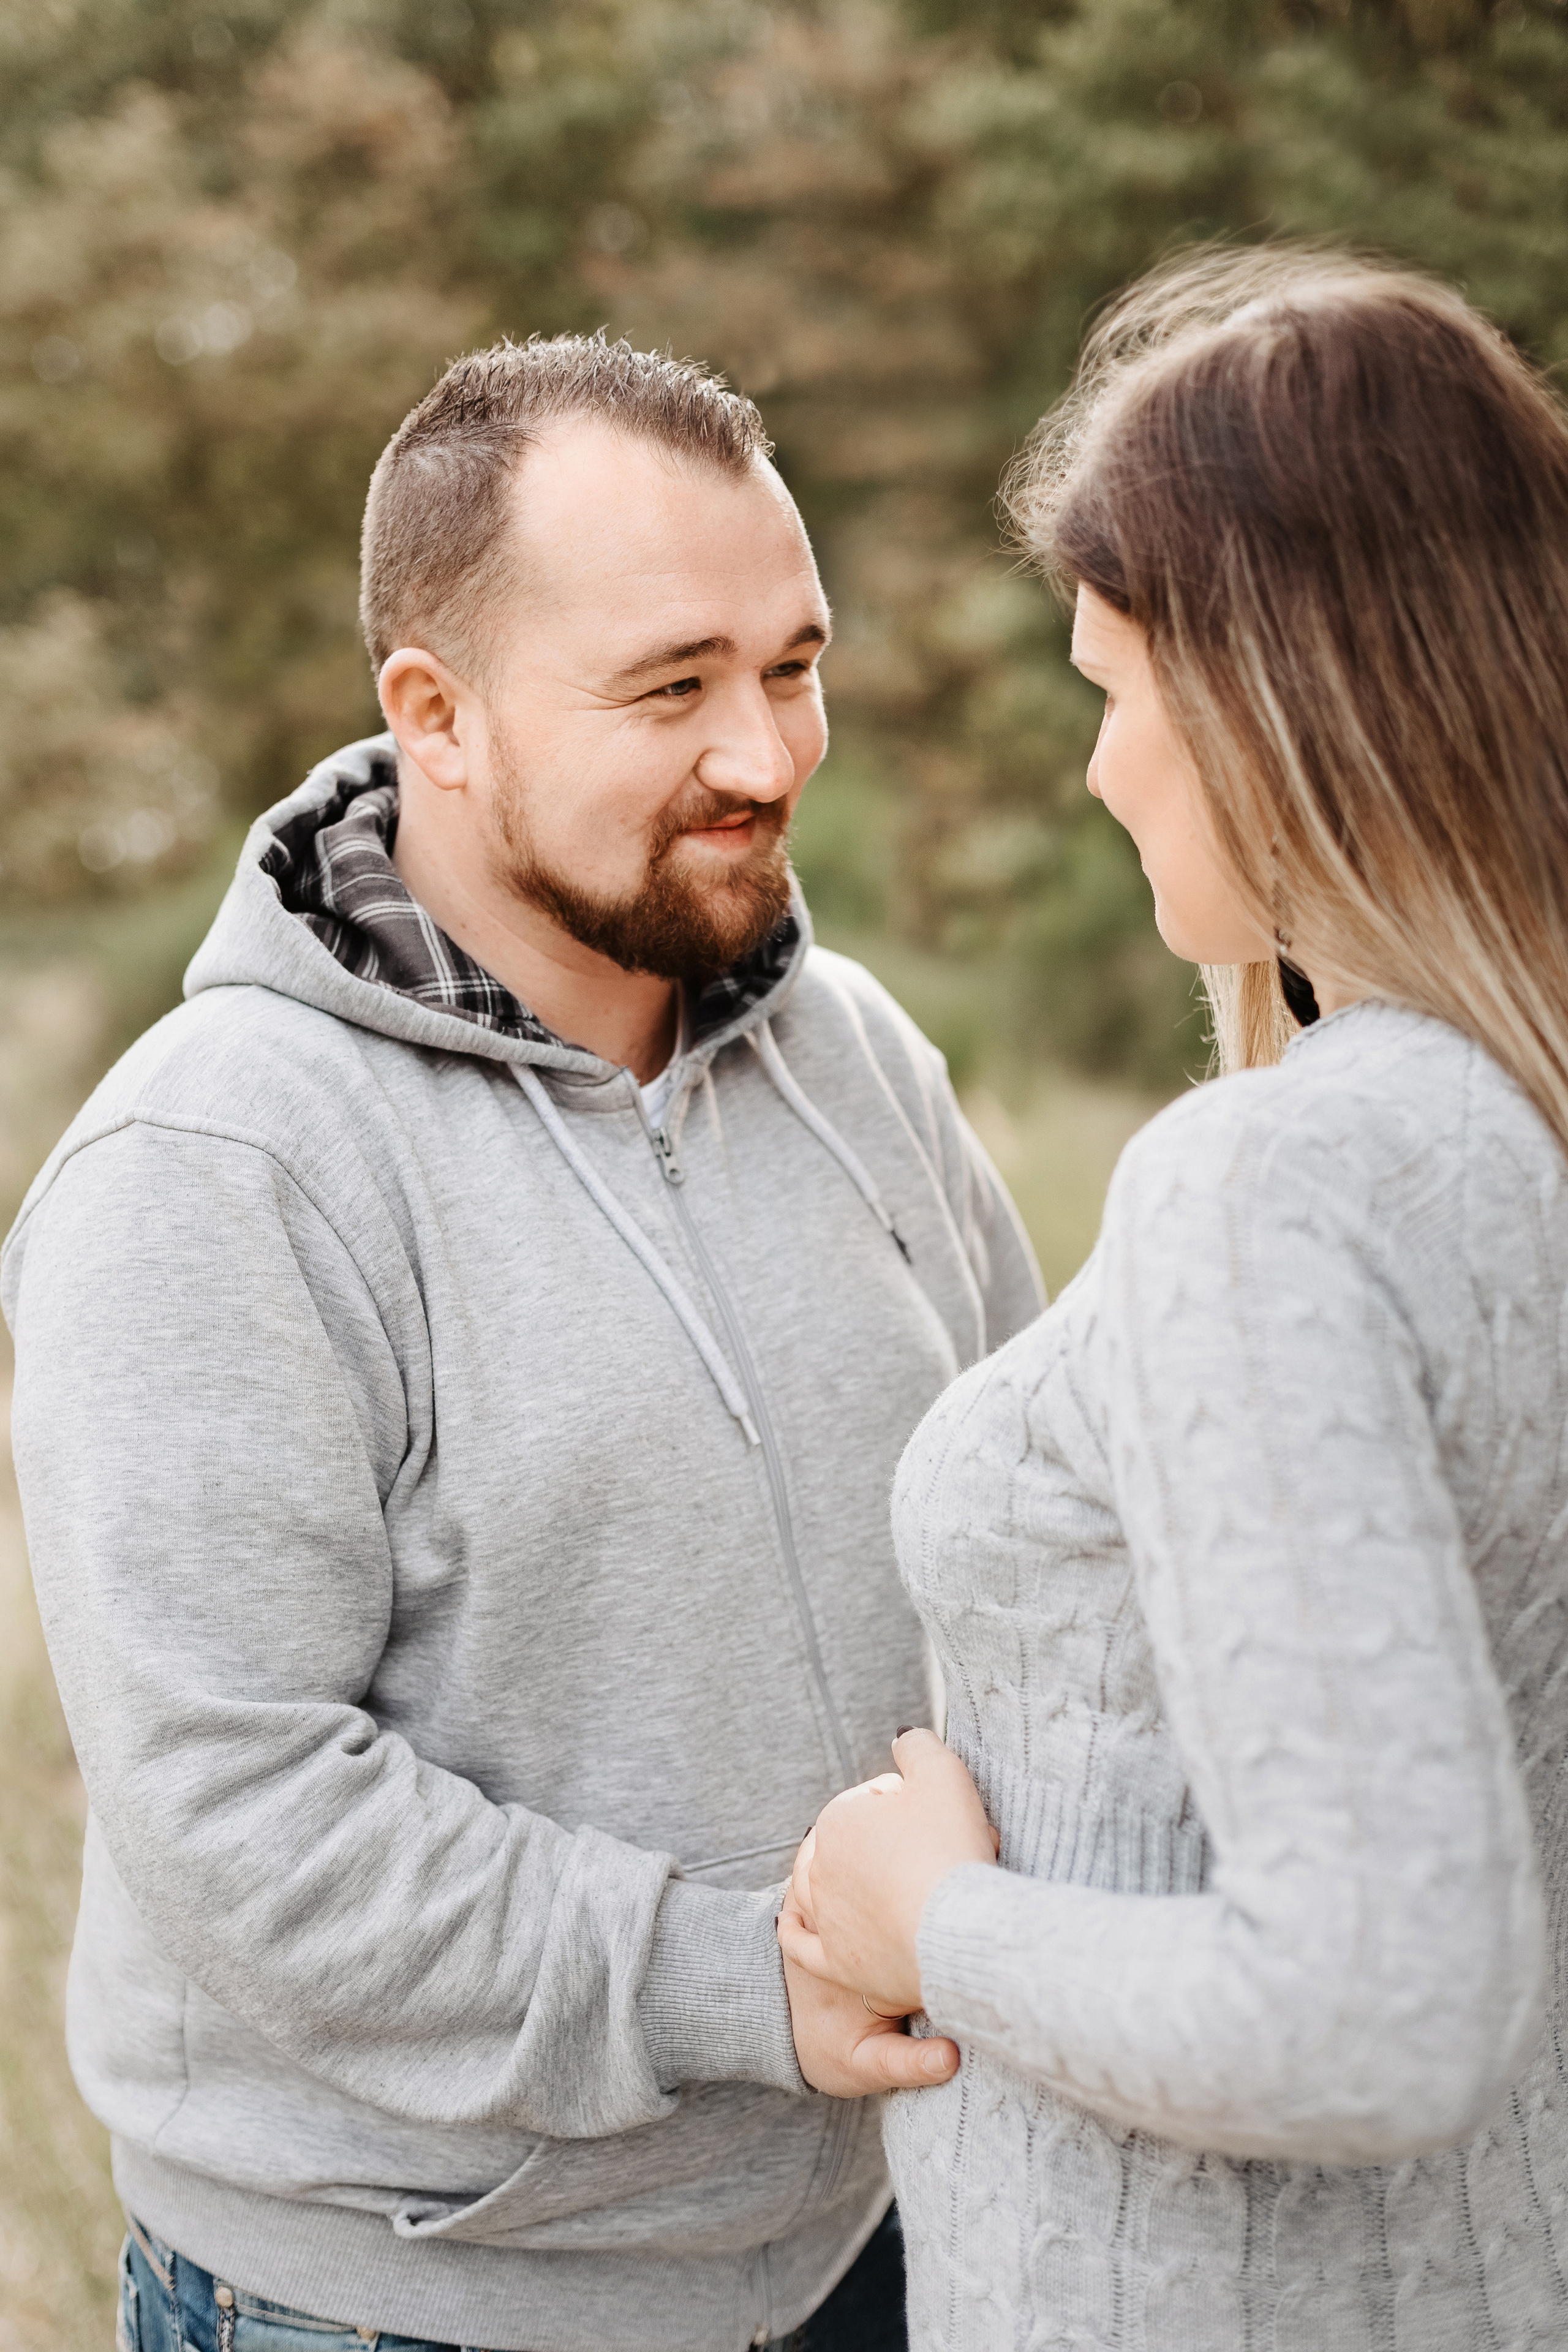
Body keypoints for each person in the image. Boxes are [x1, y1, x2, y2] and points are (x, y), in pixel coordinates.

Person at [2, 336, 1042, 2352]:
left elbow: (1039, 1547)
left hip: (881, 2242)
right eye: (675, 687)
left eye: (795, 662)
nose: (769, 750)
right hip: (411, 2301)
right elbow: (248, 1820)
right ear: (437, 716)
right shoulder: (215, 1163)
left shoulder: (862, 1058)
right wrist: (750, 1984)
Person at [782, 247, 1568, 2346]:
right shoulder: (1499, 1128)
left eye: (1115, 694)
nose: (1105, 770)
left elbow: (1384, 2002)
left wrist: (926, 1920)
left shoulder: (1279, 1181)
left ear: (1272, 696)